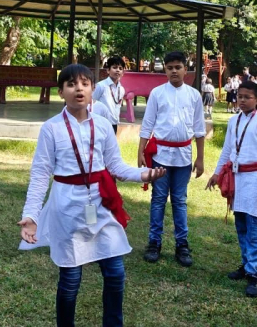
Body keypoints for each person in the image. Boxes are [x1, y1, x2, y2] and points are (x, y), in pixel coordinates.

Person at [18, 64, 165, 327]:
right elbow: (40, 174)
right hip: (67, 208)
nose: (79, 89)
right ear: (61, 91)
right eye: (71, 84)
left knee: (115, 273)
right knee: (71, 280)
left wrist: (143, 174)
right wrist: (31, 215)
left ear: (93, 89)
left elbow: (116, 166)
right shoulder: (52, 128)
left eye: (85, 84)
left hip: (100, 204)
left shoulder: (103, 125)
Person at [206, 81, 257, 297]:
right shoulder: (234, 121)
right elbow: (227, 149)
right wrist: (217, 173)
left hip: (256, 179)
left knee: (254, 224)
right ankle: (247, 264)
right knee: (241, 223)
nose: (243, 100)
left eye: (248, 97)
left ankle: (255, 273)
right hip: (237, 178)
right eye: (240, 96)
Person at [138, 51, 206, 267]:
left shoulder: (194, 95)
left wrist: (200, 158)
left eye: (178, 67)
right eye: (170, 68)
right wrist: (140, 151)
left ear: (186, 69)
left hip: (183, 156)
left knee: (179, 200)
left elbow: (199, 128)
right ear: (165, 70)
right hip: (160, 155)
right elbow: (147, 124)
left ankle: (182, 244)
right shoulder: (157, 93)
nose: (174, 71)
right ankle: (154, 243)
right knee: (158, 198)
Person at [92, 56, 126, 134]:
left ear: (123, 73)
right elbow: (90, 103)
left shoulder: (121, 89)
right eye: (114, 67)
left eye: (120, 68)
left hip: (114, 124)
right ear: (108, 70)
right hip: (100, 124)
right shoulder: (101, 86)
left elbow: (118, 106)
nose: (117, 70)